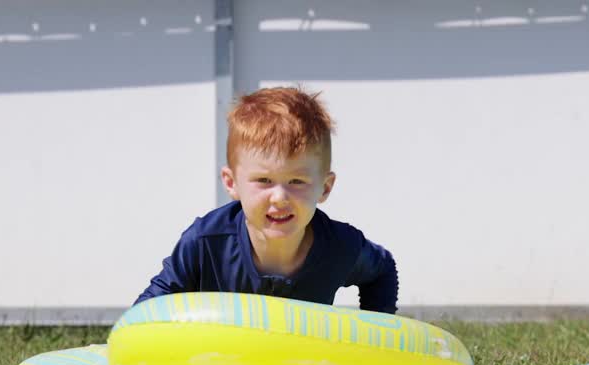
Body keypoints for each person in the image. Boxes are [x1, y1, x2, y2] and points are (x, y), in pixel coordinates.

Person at [134, 87, 398, 314]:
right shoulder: (206, 244)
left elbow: (382, 269)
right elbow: (148, 310)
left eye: (297, 181)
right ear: (231, 183)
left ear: (325, 187)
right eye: (263, 181)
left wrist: (378, 335)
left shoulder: (340, 247)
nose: (280, 197)